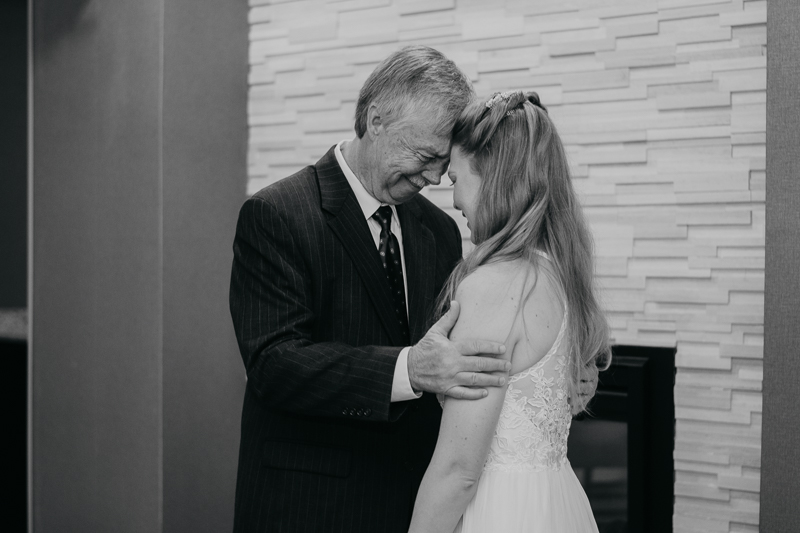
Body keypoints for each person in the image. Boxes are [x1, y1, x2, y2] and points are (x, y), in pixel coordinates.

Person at [230, 46, 598, 532]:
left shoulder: (439, 230)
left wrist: (548, 376)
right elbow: (273, 364)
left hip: (417, 499)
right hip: (313, 502)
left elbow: (469, 354)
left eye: (444, 163)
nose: (433, 178)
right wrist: (409, 369)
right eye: (425, 157)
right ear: (376, 119)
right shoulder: (278, 214)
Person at [408, 91, 611, 533]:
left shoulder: (493, 285)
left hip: (501, 512)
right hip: (554, 501)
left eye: (457, 177)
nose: (454, 197)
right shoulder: (559, 273)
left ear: (493, 178)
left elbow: (458, 471)